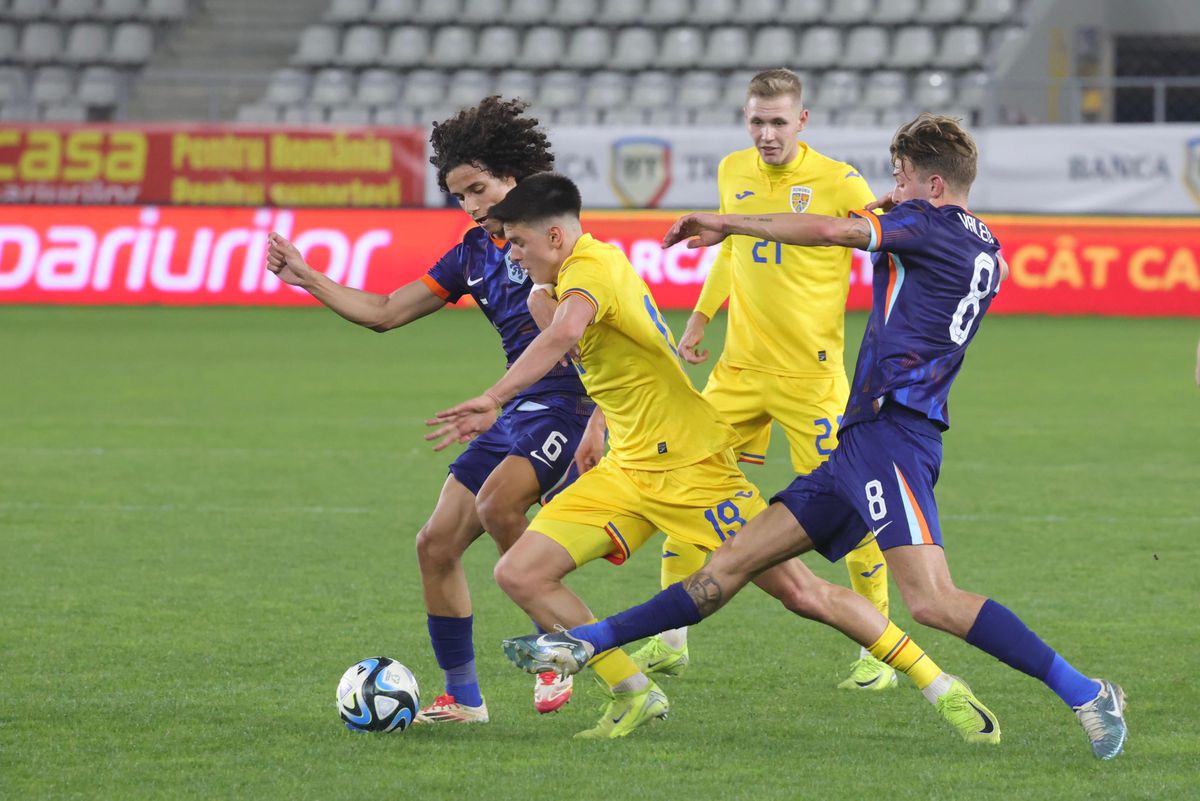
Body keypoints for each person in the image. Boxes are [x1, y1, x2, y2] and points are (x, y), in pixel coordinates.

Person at [501, 115, 1128, 760]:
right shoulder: (985, 245)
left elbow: (832, 231)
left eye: (902, 179)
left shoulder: (929, 224)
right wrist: (895, 205)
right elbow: (903, 237)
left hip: (894, 435)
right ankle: (588, 642)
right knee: (731, 564)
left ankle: (1086, 692)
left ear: (934, 184)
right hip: (861, 441)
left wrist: (729, 223)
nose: (894, 189)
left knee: (932, 600)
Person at [428, 171, 1001, 743]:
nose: (513, 255)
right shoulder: (559, 281)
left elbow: (566, 336)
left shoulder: (591, 269)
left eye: (519, 244)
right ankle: (633, 693)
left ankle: (939, 684)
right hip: (628, 467)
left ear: (554, 238)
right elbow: (616, 355)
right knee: (520, 572)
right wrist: (594, 414)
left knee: (801, 593)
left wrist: (493, 397)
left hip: (690, 466)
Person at [264, 97, 586, 723]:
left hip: (569, 405)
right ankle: (463, 698)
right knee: (435, 545)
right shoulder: (473, 254)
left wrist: (601, 417)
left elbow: (604, 332)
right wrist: (308, 278)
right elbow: (386, 312)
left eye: (479, 188)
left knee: (499, 504)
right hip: (510, 407)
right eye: (460, 194)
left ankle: (560, 650)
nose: (471, 205)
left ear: (514, 178)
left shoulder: (560, 239)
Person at [637, 68, 895, 690]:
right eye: (757, 120)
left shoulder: (839, 181)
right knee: (683, 479)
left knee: (852, 505)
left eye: (778, 121)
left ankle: (879, 652)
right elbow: (729, 248)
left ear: (802, 121)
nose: (766, 133)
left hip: (812, 378)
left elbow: (885, 239)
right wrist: (699, 318)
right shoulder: (733, 172)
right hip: (740, 370)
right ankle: (671, 638)